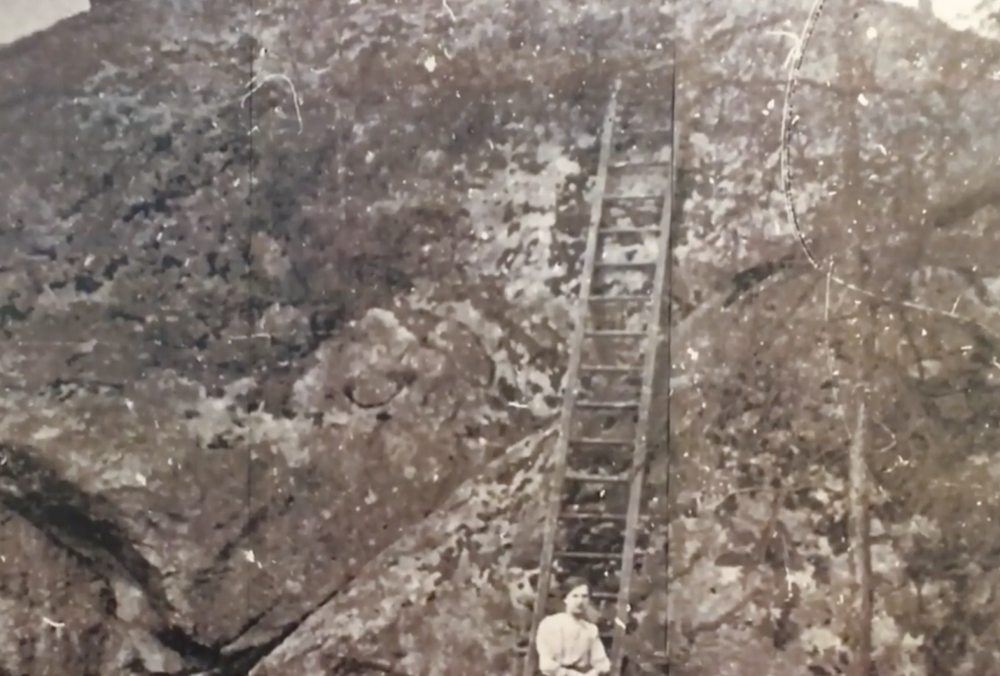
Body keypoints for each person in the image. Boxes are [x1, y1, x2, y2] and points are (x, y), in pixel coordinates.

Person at [535, 577, 612, 676]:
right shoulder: (550, 624)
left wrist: (593, 673)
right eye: (575, 596)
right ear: (565, 599)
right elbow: (546, 664)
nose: (580, 601)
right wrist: (570, 674)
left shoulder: (591, 629)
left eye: (584, 596)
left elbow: (602, 663)